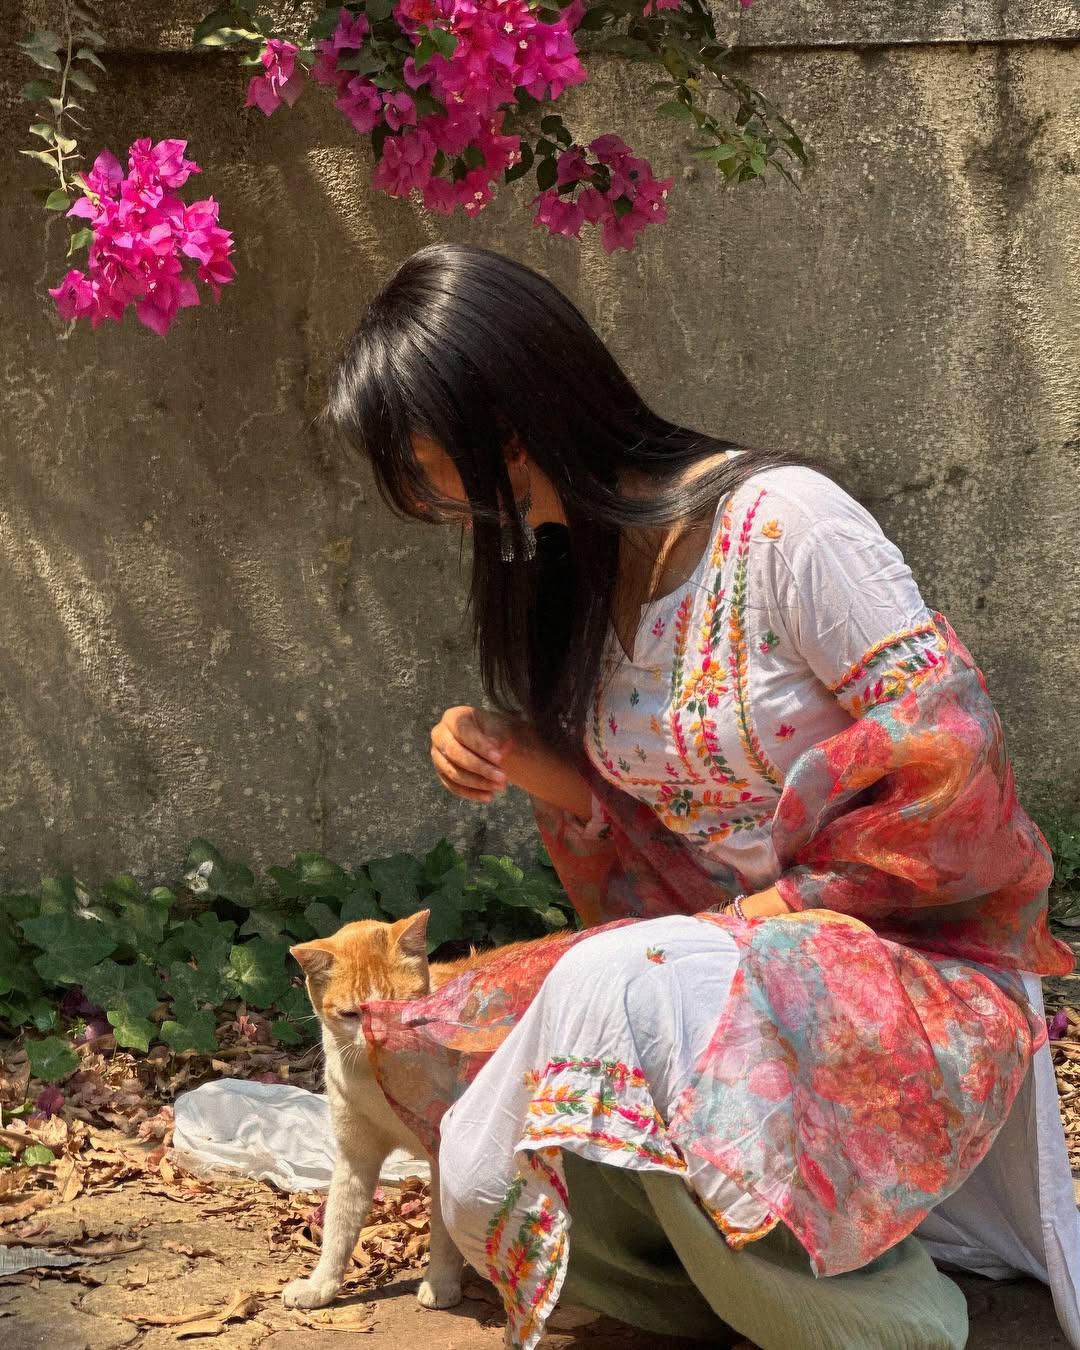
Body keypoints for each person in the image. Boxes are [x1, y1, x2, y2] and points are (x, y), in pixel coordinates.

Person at [327, 243, 1080, 1350]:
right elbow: (642, 804)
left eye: (447, 480)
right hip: (714, 960)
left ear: (516, 429)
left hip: (903, 960)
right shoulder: (574, 562)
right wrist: (508, 750)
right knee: (415, 1041)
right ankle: (705, 1276)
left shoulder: (788, 525)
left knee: (605, 989)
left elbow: (950, 758)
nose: (455, 514)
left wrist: (756, 926)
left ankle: (880, 1319)